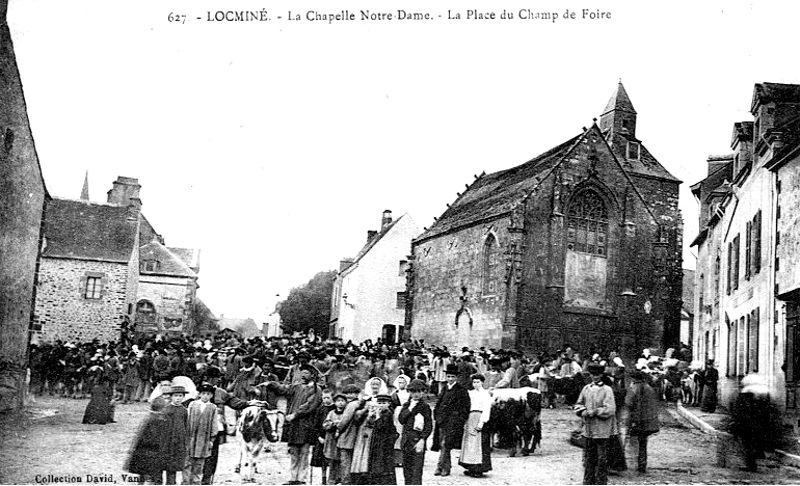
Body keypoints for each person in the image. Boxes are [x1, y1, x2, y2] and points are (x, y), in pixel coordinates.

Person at [266, 364, 323, 485]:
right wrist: (271, 384)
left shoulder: (316, 389)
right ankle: (293, 477)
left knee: (304, 452)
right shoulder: (296, 387)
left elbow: (309, 405)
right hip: (294, 425)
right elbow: (284, 389)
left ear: (313, 375)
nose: (303, 375)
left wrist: (295, 415)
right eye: (302, 373)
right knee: (293, 452)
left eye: (306, 373)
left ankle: (301, 478)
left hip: (307, 424)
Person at [575, 363, 617, 485]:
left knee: (602, 458)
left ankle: (601, 482)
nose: (595, 377)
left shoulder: (607, 390)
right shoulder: (586, 388)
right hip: (588, 430)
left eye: (597, 375)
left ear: (602, 375)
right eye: (593, 375)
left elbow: (610, 409)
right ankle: (588, 481)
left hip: (602, 430)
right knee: (589, 457)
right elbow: (578, 404)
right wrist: (582, 411)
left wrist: (595, 412)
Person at [730, 374, 776, 472]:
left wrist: (736, 422)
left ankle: (751, 465)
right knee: (756, 441)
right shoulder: (764, 392)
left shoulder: (745, 393)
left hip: (747, 423)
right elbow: (768, 409)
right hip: (760, 423)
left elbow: (740, 410)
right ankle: (757, 457)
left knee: (747, 444)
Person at [432, 364, 470, 477]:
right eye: (448, 376)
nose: (450, 379)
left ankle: (442, 467)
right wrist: (437, 416)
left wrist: (458, 420)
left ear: (456, 377)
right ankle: (443, 466)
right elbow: (438, 404)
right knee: (442, 444)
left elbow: (465, 408)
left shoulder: (461, 390)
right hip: (442, 421)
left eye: (452, 376)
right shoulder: (444, 389)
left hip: (453, 422)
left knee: (446, 444)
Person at [350, 377, 389, 484]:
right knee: (361, 451)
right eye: (373, 384)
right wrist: (365, 410)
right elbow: (356, 415)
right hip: (363, 428)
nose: (375, 386)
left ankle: (371, 476)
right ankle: (360, 475)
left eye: (377, 384)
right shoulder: (365, 399)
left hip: (376, 429)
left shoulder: (384, 399)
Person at [623, 370, 659, 474]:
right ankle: (642, 465)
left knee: (633, 443)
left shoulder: (634, 388)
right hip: (648, 420)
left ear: (633, 378)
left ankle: (633, 465)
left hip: (638, 420)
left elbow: (629, 403)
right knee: (643, 443)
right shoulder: (648, 387)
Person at [398, 379, 433, 485]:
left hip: (418, 441)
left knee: (416, 471)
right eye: (413, 392)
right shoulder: (406, 405)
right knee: (407, 470)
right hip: (406, 441)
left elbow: (428, 426)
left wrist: (422, 439)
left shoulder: (425, 407)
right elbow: (401, 419)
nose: (416, 394)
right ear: (409, 392)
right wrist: (410, 409)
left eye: (419, 391)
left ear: (423, 392)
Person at [126, 396, 168, 483]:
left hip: (146, 450)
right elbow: (140, 434)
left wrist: (132, 448)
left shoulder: (149, 418)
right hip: (150, 450)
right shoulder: (155, 419)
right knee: (150, 474)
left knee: (144, 473)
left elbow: (138, 435)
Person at [184, 383, 219, 485]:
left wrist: (211, 440)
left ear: (211, 396)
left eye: (208, 394)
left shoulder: (212, 407)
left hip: (204, 439)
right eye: (203, 393)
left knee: (199, 463)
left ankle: (196, 482)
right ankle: (185, 481)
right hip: (191, 438)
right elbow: (187, 420)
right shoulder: (192, 405)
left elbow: (214, 425)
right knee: (187, 462)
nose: (205, 396)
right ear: (199, 394)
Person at [458, 374, 492, 477]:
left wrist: (481, 423)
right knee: (469, 443)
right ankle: (470, 467)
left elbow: (486, 409)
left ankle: (479, 469)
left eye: (478, 382)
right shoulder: (470, 393)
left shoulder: (485, 394)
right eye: (474, 382)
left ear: (482, 382)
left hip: (479, 417)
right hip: (470, 418)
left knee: (478, 445)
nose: (476, 384)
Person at [364, 394, 398, 484]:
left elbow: (380, 427)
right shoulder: (382, 413)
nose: (381, 405)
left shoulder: (388, 413)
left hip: (384, 443)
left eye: (384, 403)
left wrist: (378, 416)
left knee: (382, 464)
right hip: (378, 442)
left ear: (389, 403)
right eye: (379, 403)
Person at [335, 384, 363, 485]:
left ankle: (346, 481)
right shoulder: (356, 403)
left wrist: (338, 428)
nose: (349, 395)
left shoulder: (351, 405)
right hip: (352, 434)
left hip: (347, 435)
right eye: (347, 393)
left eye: (352, 393)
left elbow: (345, 420)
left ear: (357, 394)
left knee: (345, 460)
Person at [162, 385, 189, 485]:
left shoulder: (184, 410)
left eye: (180, 396)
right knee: (167, 463)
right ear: (171, 397)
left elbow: (186, 425)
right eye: (176, 396)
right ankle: (169, 481)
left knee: (175, 464)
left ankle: (172, 482)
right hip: (168, 441)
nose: (178, 398)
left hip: (179, 441)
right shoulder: (167, 409)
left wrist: (185, 439)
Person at [311, 389, 335, 484]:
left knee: (332, 459)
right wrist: (318, 437)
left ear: (332, 398)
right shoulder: (320, 409)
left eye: (328, 398)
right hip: (321, 437)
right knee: (322, 461)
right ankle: (323, 479)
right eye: (323, 398)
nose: (325, 400)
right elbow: (315, 425)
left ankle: (332, 478)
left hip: (332, 438)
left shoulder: (334, 409)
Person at [322, 393, 347, 485]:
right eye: (338, 401)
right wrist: (332, 424)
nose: (340, 403)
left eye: (342, 401)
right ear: (335, 403)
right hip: (332, 440)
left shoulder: (346, 413)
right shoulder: (331, 413)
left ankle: (340, 479)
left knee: (342, 461)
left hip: (342, 439)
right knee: (332, 461)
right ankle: (331, 480)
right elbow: (325, 425)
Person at [391, 374, 411, 467]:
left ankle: (405, 459)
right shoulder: (394, 394)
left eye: (403, 382)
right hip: (396, 414)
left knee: (405, 435)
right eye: (399, 382)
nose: (401, 384)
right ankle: (396, 459)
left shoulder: (409, 394)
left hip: (406, 414)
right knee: (397, 436)